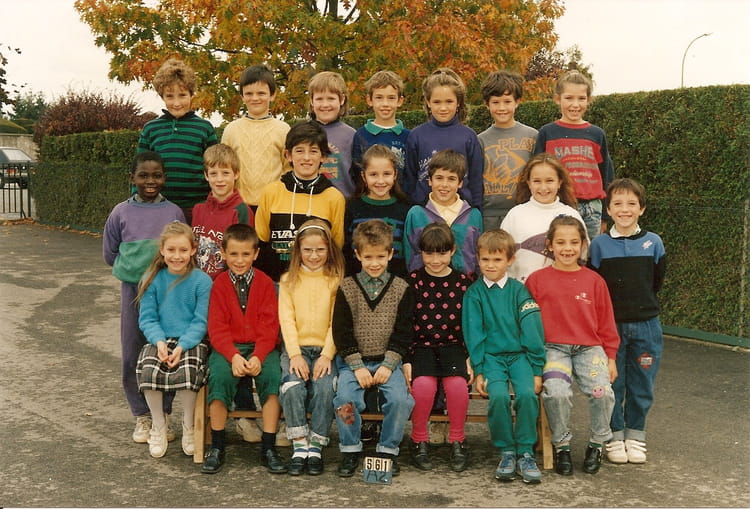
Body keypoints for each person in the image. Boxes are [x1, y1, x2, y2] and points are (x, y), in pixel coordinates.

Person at [525, 215, 620, 476]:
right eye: (561, 242)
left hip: (589, 348)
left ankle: (597, 444)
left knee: (603, 392)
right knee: (556, 393)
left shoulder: (595, 281)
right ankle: (562, 446)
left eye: (574, 242)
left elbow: (607, 323)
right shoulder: (536, 280)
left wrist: (611, 358)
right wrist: (532, 359)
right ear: (550, 245)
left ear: (583, 245)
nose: (567, 248)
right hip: (552, 348)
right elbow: (528, 323)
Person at [103, 151, 185, 445]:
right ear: (132, 178)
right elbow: (110, 253)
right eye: (143, 175)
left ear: (164, 178)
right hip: (133, 291)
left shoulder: (173, 212)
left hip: (167, 291)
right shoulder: (120, 213)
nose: (150, 181)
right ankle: (142, 414)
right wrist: (135, 272)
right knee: (133, 351)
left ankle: (164, 413)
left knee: (166, 349)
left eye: (157, 175)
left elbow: (181, 248)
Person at [589, 178, 666, 464]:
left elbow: (656, 282)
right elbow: (595, 287)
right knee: (613, 384)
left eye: (632, 204)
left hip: (647, 326)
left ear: (642, 209)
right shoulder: (599, 245)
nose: (625, 209)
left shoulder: (653, 243)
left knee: (642, 384)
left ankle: (635, 435)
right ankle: (614, 435)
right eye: (618, 204)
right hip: (611, 328)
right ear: (608, 209)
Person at [332, 219, 415, 477]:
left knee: (400, 400)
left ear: (390, 254)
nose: (374, 263)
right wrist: (357, 367)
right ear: (357, 255)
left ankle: (388, 450)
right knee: (344, 401)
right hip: (353, 363)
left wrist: (389, 365)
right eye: (368, 257)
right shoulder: (347, 287)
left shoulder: (401, 288)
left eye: (380, 256)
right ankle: (350, 448)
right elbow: (341, 332)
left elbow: (404, 331)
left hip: (388, 362)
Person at [201, 224, 287, 474]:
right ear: (223, 253)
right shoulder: (219, 285)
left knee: (272, 376)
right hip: (229, 346)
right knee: (219, 376)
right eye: (234, 254)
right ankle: (217, 446)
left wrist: (259, 355)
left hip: (262, 346)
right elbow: (216, 328)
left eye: (246, 254)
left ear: (256, 254)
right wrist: (233, 356)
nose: (239, 260)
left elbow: (270, 325)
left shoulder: (265, 283)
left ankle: (268, 446)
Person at [462, 229, 546, 483]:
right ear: (478, 259)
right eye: (485, 259)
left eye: (497, 259)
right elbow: (474, 334)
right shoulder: (474, 294)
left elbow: (532, 330)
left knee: (527, 395)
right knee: (498, 397)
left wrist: (537, 369)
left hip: (520, 357)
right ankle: (507, 452)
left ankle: (526, 452)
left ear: (510, 260)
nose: (490, 265)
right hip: (491, 359)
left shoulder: (519, 291)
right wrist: (479, 370)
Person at [135, 222, 212, 458]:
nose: (176, 256)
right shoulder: (152, 279)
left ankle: (189, 425)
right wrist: (159, 342)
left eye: (183, 250)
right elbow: (147, 318)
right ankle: (159, 425)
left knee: (188, 372)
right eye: (171, 250)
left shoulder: (202, 281)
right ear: (162, 250)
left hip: (190, 340)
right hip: (160, 339)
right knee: (149, 371)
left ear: (193, 250)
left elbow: (200, 321)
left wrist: (182, 346)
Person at [278, 219, 345, 476]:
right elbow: (286, 320)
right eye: (307, 250)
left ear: (329, 250)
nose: (314, 255)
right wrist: (295, 354)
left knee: (325, 388)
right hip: (297, 349)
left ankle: (316, 445)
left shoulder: (335, 280)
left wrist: (327, 355)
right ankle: (299, 444)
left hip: (326, 351)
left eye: (320, 250)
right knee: (292, 386)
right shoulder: (288, 281)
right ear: (298, 250)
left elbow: (335, 322)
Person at [405, 223, 472, 472]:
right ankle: (419, 439)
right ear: (420, 252)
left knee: (457, 386)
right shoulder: (412, 282)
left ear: (453, 251)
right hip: (421, 347)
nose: (435, 260)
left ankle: (458, 439)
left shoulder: (463, 283)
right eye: (429, 253)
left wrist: (470, 357)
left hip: (453, 346)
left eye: (442, 253)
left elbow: (470, 324)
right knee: (423, 386)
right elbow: (405, 323)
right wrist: (406, 359)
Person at [254, 121, 346, 282]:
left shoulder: (334, 197)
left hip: (317, 283)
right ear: (288, 155)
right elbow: (261, 241)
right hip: (277, 283)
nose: (306, 158)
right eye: (299, 151)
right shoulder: (271, 192)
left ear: (323, 156)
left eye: (313, 151)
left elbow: (336, 247)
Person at [534, 70, 614, 240]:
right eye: (569, 98)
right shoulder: (547, 132)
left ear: (589, 100)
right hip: (559, 205)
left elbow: (606, 174)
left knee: (589, 253)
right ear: (558, 99)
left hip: (592, 208)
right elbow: (536, 173)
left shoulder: (597, 134)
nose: (575, 104)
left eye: (581, 98)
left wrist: (605, 216)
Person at [137, 58, 218, 222]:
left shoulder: (205, 128)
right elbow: (140, 169)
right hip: (160, 207)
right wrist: (137, 202)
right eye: (169, 96)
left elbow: (215, 167)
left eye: (182, 95)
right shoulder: (151, 129)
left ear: (191, 94)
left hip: (198, 208)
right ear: (162, 96)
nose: (176, 103)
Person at [500, 153, 587, 283]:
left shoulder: (571, 215)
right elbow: (501, 255)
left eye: (549, 181)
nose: (543, 187)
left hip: (561, 289)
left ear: (559, 182)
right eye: (537, 181)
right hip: (521, 290)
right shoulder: (515, 215)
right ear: (528, 183)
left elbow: (582, 256)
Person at [405, 67, 483, 209]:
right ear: (428, 102)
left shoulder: (468, 136)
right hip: (424, 210)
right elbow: (410, 179)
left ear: (458, 102)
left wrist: (476, 210)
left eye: (449, 101)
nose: (443, 108)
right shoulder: (416, 136)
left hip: (461, 212)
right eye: (437, 102)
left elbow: (476, 180)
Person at [404, 149, 483, 279]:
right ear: (430, 180)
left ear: (460, 183)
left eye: (451, 179)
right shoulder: (416, 214)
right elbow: (411, 254)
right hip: (425, 285)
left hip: (467, 284)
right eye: (439, 178)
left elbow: (477, 254)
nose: (444, 185)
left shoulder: (473, 215)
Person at [221, 64, 290, 210]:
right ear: (242, 96)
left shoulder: (283, 130)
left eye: (261, 93)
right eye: (249, 93)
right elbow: (224, 169)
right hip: (238, 206)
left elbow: (288, 169)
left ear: (272, 95)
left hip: (274, 205)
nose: (255, 98)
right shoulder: (231, 130)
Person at [477, 70, 538, 230]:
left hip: (524, 212)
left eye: (507, 101)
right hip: (489, 216)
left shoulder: (532, 136)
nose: (502, 107)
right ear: (487, 104)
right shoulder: (480, 140)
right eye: (496, 102)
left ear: (517, 102)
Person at [344, 144, 411, 277]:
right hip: (358, 283)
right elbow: (346, 251)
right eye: (373, 174)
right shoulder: (352, 207)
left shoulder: (405, 210)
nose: (380, 181)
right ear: (364, 176)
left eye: (386, 174)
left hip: (396, 284)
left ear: (395, 174)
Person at [192, 143, 254, 279]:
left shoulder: (241, 211)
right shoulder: (198, 210)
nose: (219, 179)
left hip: (226, 283)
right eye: (213, 174)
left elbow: (243, 255)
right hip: (197, 282)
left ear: (236, 174)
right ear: (206, 175)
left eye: (225, 173)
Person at [350, 70, 411, 190]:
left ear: (400, 101)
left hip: (401, 198)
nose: (385, 104)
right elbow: (357, 172)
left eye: (391, 98)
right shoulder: (361, 135)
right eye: (379, 98)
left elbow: (411, 173)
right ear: (369, 100)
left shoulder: (408, 136)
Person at [308, 71, 356, 199]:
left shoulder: (351, 135)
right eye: (319, 99)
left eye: (331, 98)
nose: (325, 105)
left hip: (344, 201)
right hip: (309, 201)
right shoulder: (301, 133)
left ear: (342, 100)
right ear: (311, 101)